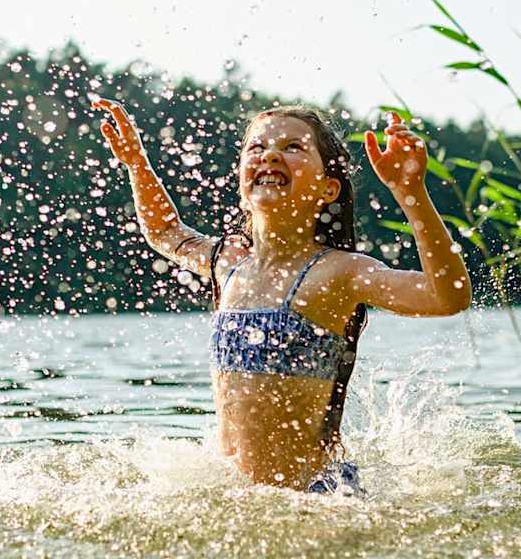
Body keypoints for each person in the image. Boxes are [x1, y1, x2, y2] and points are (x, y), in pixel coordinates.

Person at [93, 99, 471, 493]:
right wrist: (138, 165)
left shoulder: (340, 272)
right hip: (244, 495)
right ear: (241, 178)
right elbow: (166, 234)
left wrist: (411, 192)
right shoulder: (229, 262)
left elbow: (447, 296)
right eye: (256, 147)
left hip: (320, 496)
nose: (270, 153)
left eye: (293, 147)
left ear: (328, 188)